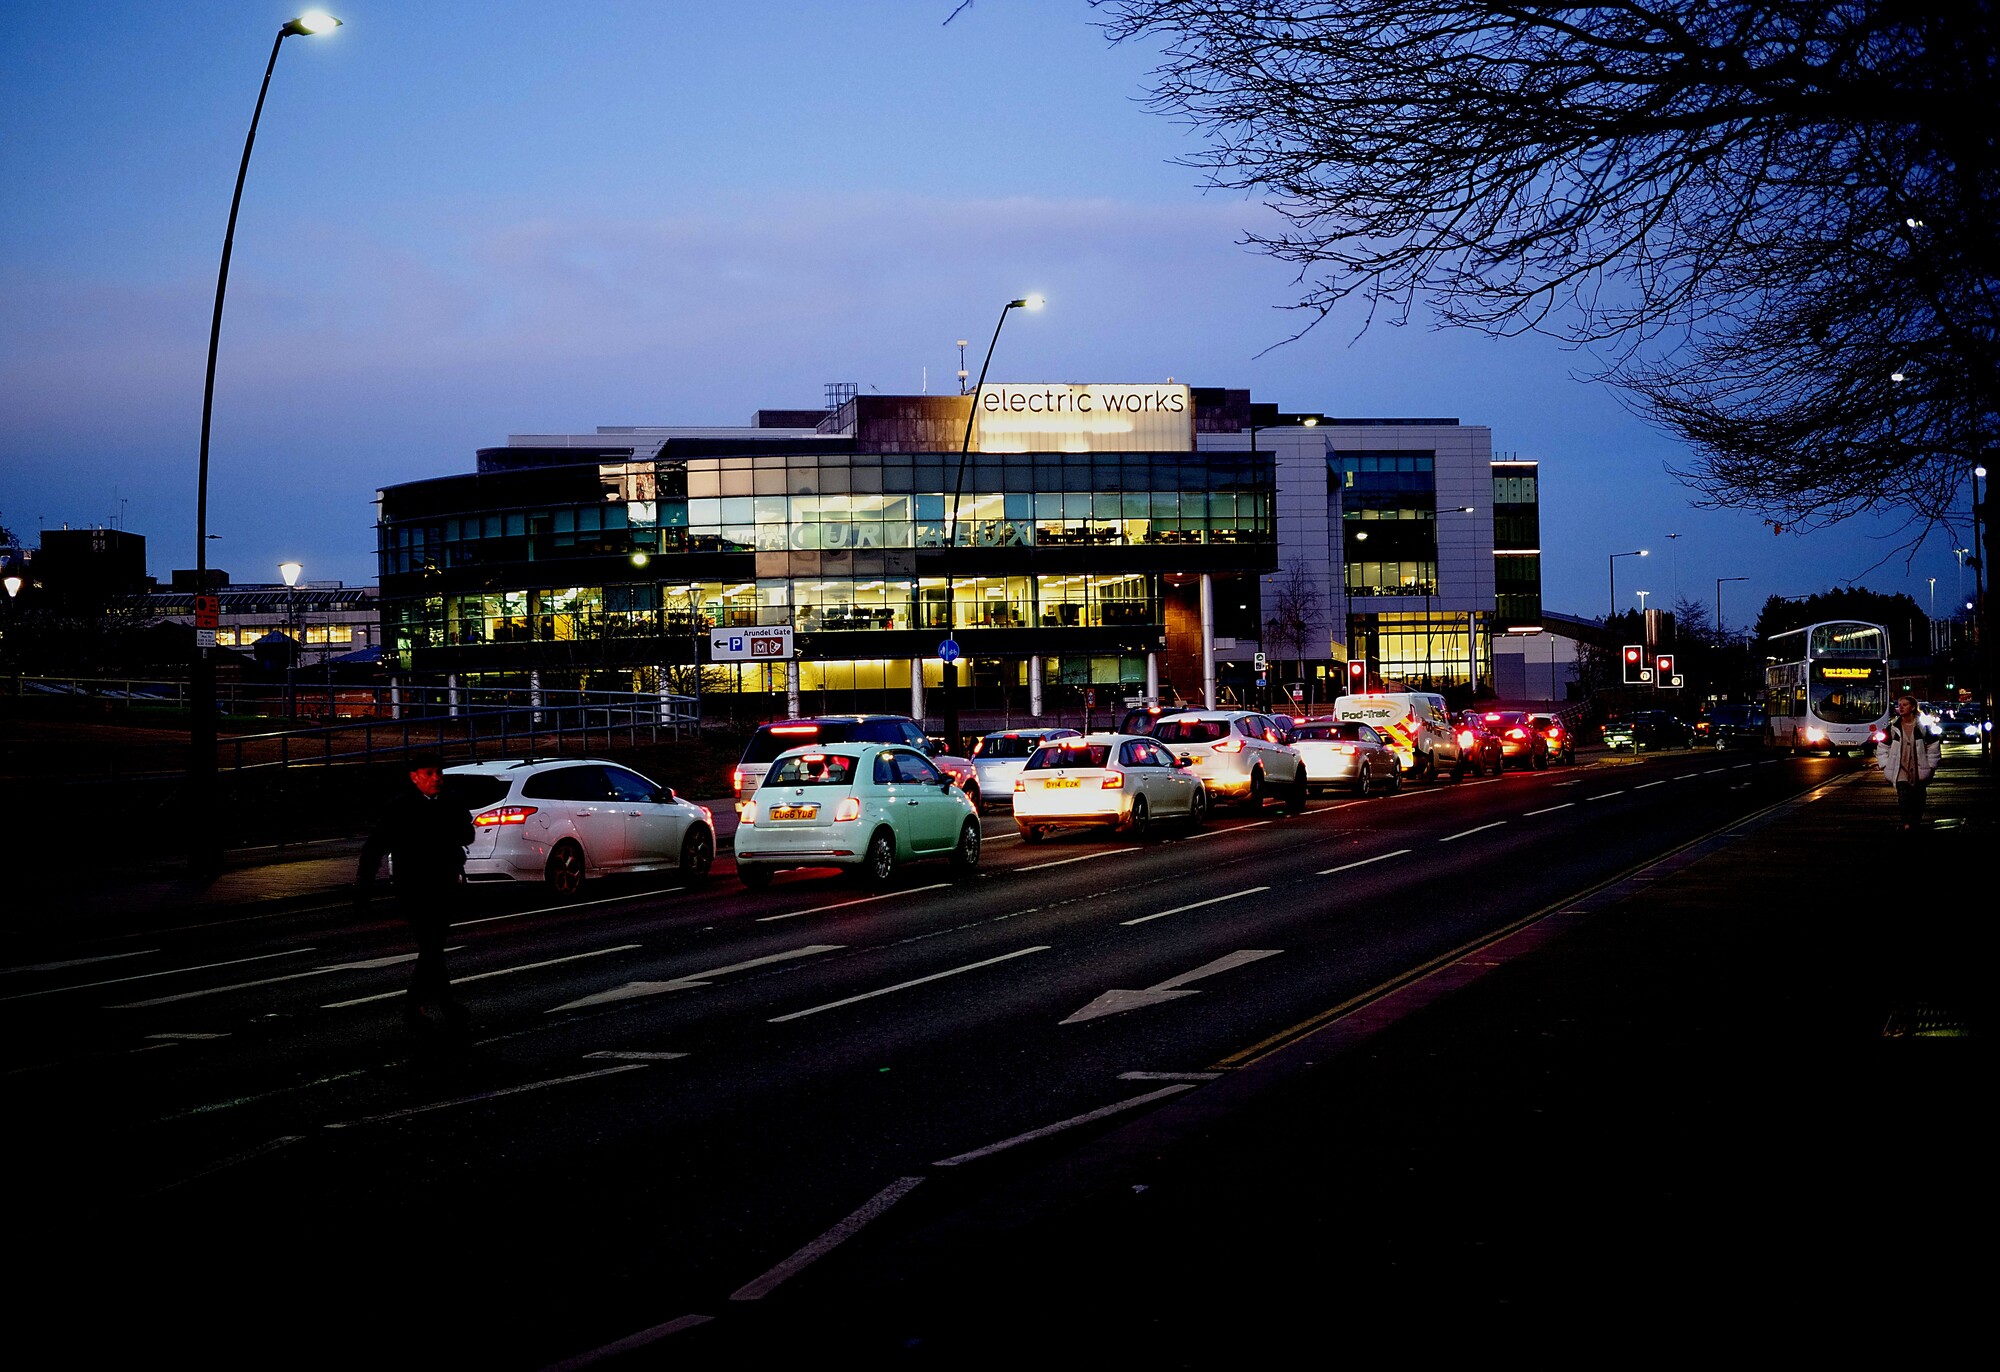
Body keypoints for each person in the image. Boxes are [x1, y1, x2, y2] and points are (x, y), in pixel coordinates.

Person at [355, 751, 474, 1030]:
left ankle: (434, 1005)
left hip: (444, 882)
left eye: (439, 773)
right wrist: (364, 889)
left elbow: (466, 834)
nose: (437, 779)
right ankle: (426, 1005)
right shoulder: (400, 807)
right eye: (430, 773)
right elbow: (374, 848)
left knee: (433, 947)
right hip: (414, 886)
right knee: (432, 945)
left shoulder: (451, 801)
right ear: (414, 777)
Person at [1875, 694, 1942, 831]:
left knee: (1919, 798)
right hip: (1900, 769)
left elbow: (1933, 746)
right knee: (1903, 797)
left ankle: (1915, 822)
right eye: (1899, 705)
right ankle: (1907, 824)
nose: (1901, 707)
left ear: (1912, 707)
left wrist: (1931, 766)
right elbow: (1882, 747)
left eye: (1904, 705)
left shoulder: (1922, 728)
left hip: (1919, 769)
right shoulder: (1893, 728)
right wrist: (1885, 764)